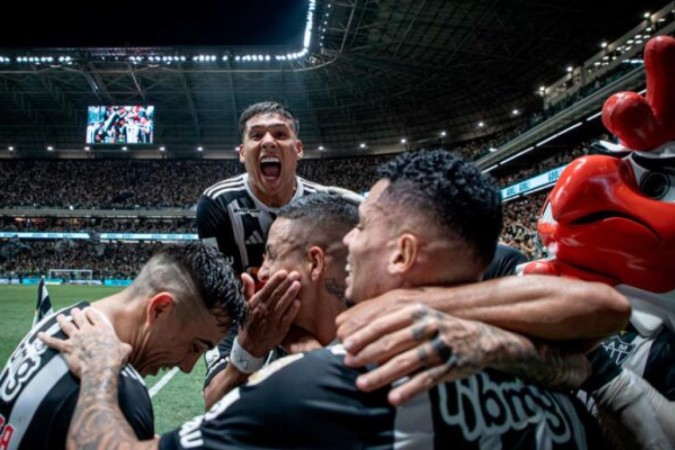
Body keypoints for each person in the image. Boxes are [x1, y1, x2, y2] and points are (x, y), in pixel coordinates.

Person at [48, 150, 609, 449]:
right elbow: (603, 311)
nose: (352, 241)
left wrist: (100, 369)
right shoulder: (544, 350)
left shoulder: (330, 383)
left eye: (362, 227)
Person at [198, 101, 629, 410]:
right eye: (256, 135)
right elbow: (214, 397)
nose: (351, 241)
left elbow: (600, 308)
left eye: (364, 225)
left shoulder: (460, 269)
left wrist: (438, 316)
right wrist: (261, 349)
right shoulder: (223, 219)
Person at [0, 242, 245, 450]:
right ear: (160, 309)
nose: (187, 366)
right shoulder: (121, 397)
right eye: (194, 347)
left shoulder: (60, 321)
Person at [196, 101, 362, 406]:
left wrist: (303, 335)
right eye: (256, 135)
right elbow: (222, 288)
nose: (268, 141)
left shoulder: (322, 202)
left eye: (279, 134)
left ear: (298, 149)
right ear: (243, 152)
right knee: (216, 399)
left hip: (309, 314)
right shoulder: (217, 203)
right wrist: (279, 337)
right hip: (244, 312)